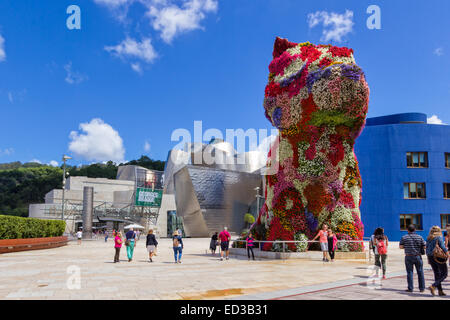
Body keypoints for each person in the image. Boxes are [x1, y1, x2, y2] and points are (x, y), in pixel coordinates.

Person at [399, 224, 426, 293]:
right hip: (418, 256)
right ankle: (422, 288)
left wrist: (407, 247)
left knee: (409, 272)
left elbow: (401, 247)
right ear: (415, 230)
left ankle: (410, 288)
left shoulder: (404, 237)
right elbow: (424, 246)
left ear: (407, 230)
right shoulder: (419, 237)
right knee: (420, 272)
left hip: (408, 256)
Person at [426, 226, 449, 296]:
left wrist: (428, 259)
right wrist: (448, 254)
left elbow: (426, 249)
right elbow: (442, 246)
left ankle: (440, 291)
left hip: (430, 257)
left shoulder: (428, 238)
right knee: (444, 273)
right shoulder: (438, 237)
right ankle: (433, 285)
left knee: (437, 273)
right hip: (438, 256)